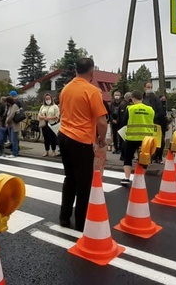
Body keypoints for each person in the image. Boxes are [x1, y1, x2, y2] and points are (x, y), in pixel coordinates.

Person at [58, 59, 109, 231]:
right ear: (92, 72)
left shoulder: (66, 88)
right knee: (84, 183)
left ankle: (64, 217)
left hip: (63, 135)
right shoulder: (92, 91)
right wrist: (101, 138)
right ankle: (81, 223)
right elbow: (102, 121)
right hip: (81, 140)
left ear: (75, 70)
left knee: (69, 178)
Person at [120, 90, 155, 186]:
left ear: (132, 98)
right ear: (142, 98)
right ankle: (140, 179)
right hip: (146, 139)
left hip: (131, 137)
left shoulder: (130, 108)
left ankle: (126, 178)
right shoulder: (150, 109)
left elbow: (123, 122)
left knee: (128, 158)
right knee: (144, 159)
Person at [143, 81, 166, 164]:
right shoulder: (142, 98)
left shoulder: (155, 98)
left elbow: (160, 111)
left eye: (151, 87)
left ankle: (158, 156)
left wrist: (153, 118)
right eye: (148, 87)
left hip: (155, 123)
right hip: (145, 123)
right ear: (144, 88)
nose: (149, 89)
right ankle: (147, 155)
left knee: (158, 141)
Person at [38, 93, 60, 157]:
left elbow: (57, 116)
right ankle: (46, 151)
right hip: (44, 124)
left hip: (52, 124)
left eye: (49, 99)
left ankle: (53, 151)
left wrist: (49, 118)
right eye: (46, 99)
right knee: (46, 138)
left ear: (51, 99)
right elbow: (39, 115)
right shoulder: (43, 106)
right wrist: (43, 117)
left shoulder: (55, 106)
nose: (48, 100)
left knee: (53, 138)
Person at [117, 92, 132, 161]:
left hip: (123, 125)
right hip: (123, 126)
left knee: (124, 141)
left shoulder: (126, 104)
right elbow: (122, 117)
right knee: (124, 142)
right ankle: (123, 155)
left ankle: (124, 155)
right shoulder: (124, 105)